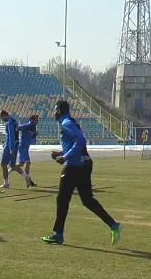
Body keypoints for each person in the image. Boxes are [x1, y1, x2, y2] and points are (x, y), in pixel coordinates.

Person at [42, 101, 121, 245]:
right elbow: (75, 143)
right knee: (87, 200)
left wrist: (65, 157)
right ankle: (113, 225)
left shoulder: (66, 123)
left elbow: (81, 140)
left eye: (55, 110)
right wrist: (61, 153)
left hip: (74, 165)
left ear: (59, 110)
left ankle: (58, 234)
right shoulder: (71, 121)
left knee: (62, 199)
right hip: (85, 163)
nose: (53, 113)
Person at [14, 115, 39, 187]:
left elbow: (32, 137)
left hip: (26, 147)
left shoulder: (33, 128)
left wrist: (35, 134)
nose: (37, 122)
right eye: (36, 120)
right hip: (23, 147)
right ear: (31, 120)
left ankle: (9, 170)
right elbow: (17, 128)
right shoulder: (26, 126)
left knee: (21, 164)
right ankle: (28, 180)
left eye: (37, 120)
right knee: (28, 162)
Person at [0, 110, 19, 189]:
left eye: (1, 117)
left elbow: (11, 136)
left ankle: (6, 183)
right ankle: (26, 177)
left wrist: (11, 148)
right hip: (15, 144)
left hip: (9, 146)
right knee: (12, 165)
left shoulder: (9, 122)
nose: (2, 119)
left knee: (3, 164)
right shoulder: (14, 121)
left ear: (4, 115)